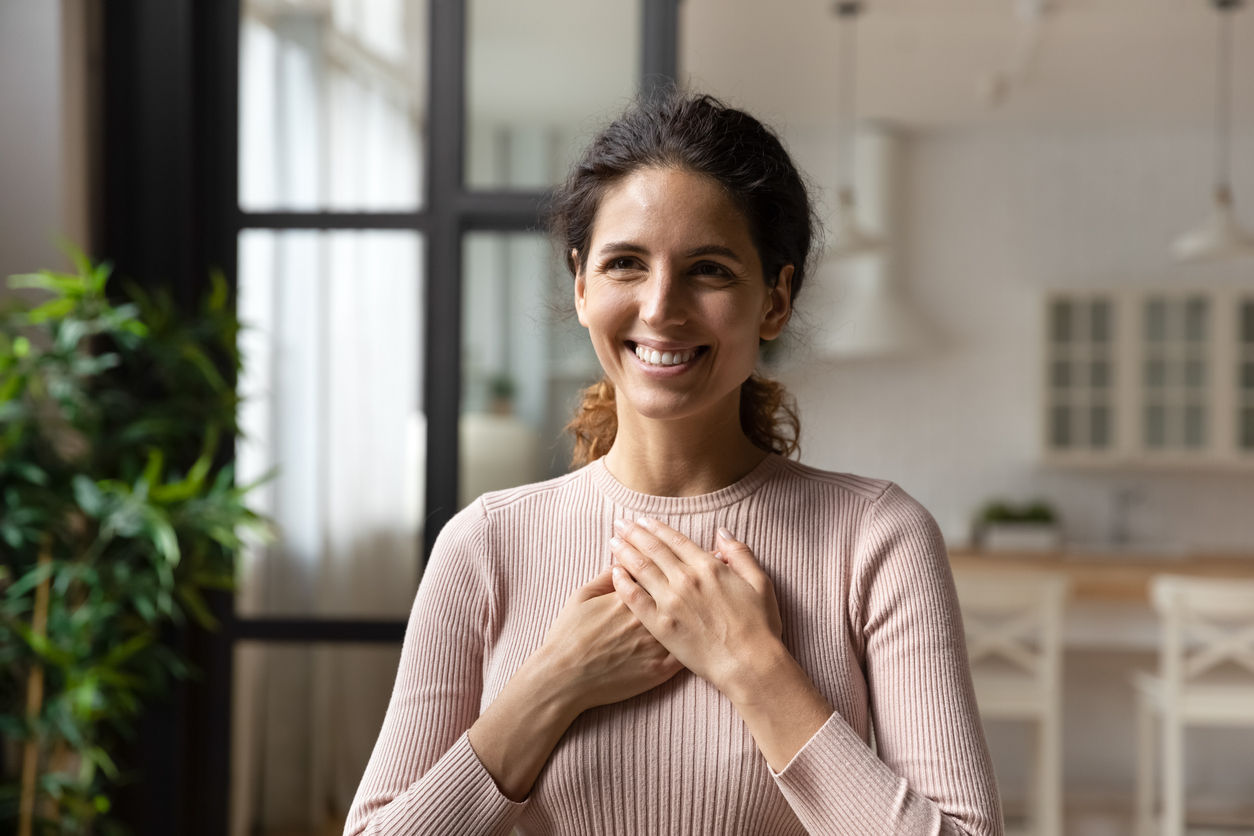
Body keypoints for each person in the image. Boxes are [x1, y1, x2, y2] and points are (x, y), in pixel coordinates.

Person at [344, 92, 1003, 836]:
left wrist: (753, 668)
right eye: (625, 263)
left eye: (710, 270)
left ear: (775, 301)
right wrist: (552, 683)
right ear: (582, 285)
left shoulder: (878, 539)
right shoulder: (484, 545)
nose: (660, 307)